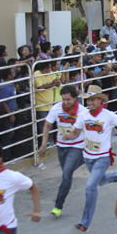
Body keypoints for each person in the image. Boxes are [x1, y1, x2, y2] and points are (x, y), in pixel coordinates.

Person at [62, 85, 117, 231]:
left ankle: (85, 223)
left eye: (93, 100)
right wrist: (68, 137)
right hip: (88, 158)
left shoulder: (109, 115)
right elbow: (75, 133)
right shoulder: (83, 116)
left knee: (90, 186)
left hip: (103, 158)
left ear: (101, 100)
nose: (90, 103)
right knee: (100, 181)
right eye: (88, 100)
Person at [39, 85, 88, 217]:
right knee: (67, 173)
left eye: (68, 100)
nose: (65, 102)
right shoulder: (56, 108)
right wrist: (44, 144)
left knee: (66, 174)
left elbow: (88, 130)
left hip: (76, 146)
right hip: (61, 146)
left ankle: (58, 206)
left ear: (75, 98)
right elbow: (47, 125)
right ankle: (85, 160)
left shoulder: (82, 112)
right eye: (63, 99)